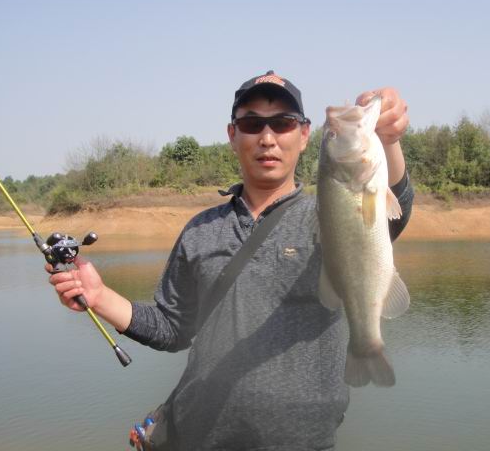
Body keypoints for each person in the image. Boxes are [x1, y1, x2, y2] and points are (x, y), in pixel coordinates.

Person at [48, 70, 414, 450]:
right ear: (232, 135)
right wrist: (100, 296)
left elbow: (394, 207)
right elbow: (172, 327)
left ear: (305, 135)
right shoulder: (200, 231)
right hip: (198, 436)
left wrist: (389, 141)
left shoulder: (325, 216)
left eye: (283, 123)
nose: (267, 138)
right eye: (252, 124)